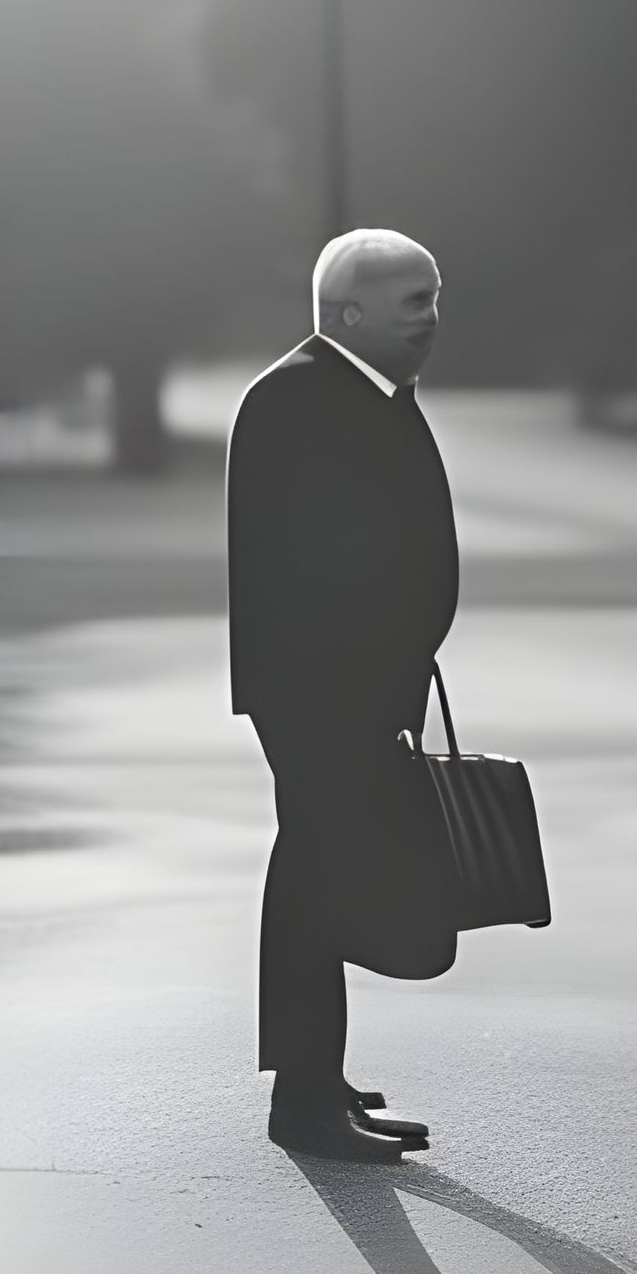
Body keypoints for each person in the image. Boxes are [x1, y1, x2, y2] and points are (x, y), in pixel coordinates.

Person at [227, 228, 461, 1162]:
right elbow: (300, 571)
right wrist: (363, 682)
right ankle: (302, 1101)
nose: (434, 323)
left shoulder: (368, 392)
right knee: (316, 879)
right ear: (349, 313)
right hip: (324, 694)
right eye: (416, 304)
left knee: (320, 873)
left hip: (358, 691)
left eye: (437, 301)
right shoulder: (293, 400)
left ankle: (316, 1079)